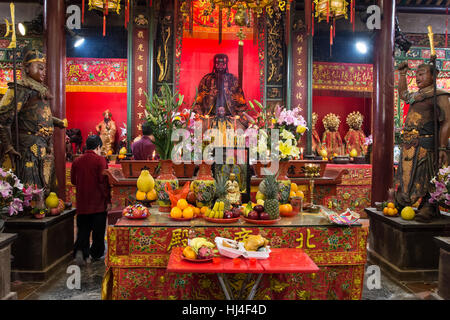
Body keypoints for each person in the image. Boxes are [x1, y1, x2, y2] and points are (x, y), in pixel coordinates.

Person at [0, 49, 66, 194]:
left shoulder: (40, 90)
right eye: (40, 68)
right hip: (28, 145)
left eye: (44, 69)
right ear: (27, 69)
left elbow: (36, 116)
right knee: (31, 182)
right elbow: (3, 119)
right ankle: (32, 207)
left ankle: (48, 203)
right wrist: (8, 146)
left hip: (44, 143)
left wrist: (57, 122)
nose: (44, 72)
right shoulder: (20, 89)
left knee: (46, 179)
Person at [395, 62, 450, 222]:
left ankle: (429, 206)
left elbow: (447, 121)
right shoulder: (416, 96)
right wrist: (403, 75)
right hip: (410, 144)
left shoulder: (439, 96)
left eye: (422, 74)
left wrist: (441, 147)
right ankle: (401, 201)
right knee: (407, 175)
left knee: (427, 175)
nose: (418, 78)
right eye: (417, 75)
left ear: (434, 75)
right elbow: (404, 94)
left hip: (428, 144)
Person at [71, 135, 111, 265]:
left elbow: (73, 181)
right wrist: (108, 200)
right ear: (98, 146)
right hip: (98, 204)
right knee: (98, 232)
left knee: (83, 229)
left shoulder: (77, 161)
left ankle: (82, 253)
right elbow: (104, 183)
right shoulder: (100, 160)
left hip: (82, 203)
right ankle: (96, 254)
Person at [194, 53, 250, 128]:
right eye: (218, 63)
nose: (220, 65)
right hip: (210, 116)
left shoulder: (232, 79)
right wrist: (210, 95)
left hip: (230, 117)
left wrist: (230, 95)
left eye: (223, 63)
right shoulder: (207, 79)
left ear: (226, 64)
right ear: (214, 64)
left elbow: (240, 99)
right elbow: (199, 99)